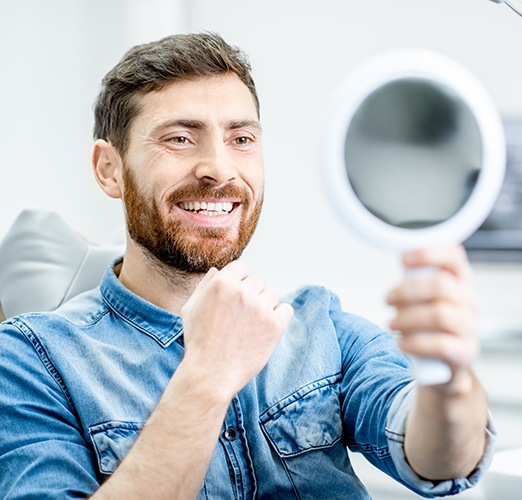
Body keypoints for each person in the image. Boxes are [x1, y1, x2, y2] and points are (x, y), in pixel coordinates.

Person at [0, 32, 495, 498]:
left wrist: (447, 381)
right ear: (109, 169)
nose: (219, 168)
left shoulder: (321, 326)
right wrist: (206, 377)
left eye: (241, 139)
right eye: (179, 138)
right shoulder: (29, 359)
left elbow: (441, 460)